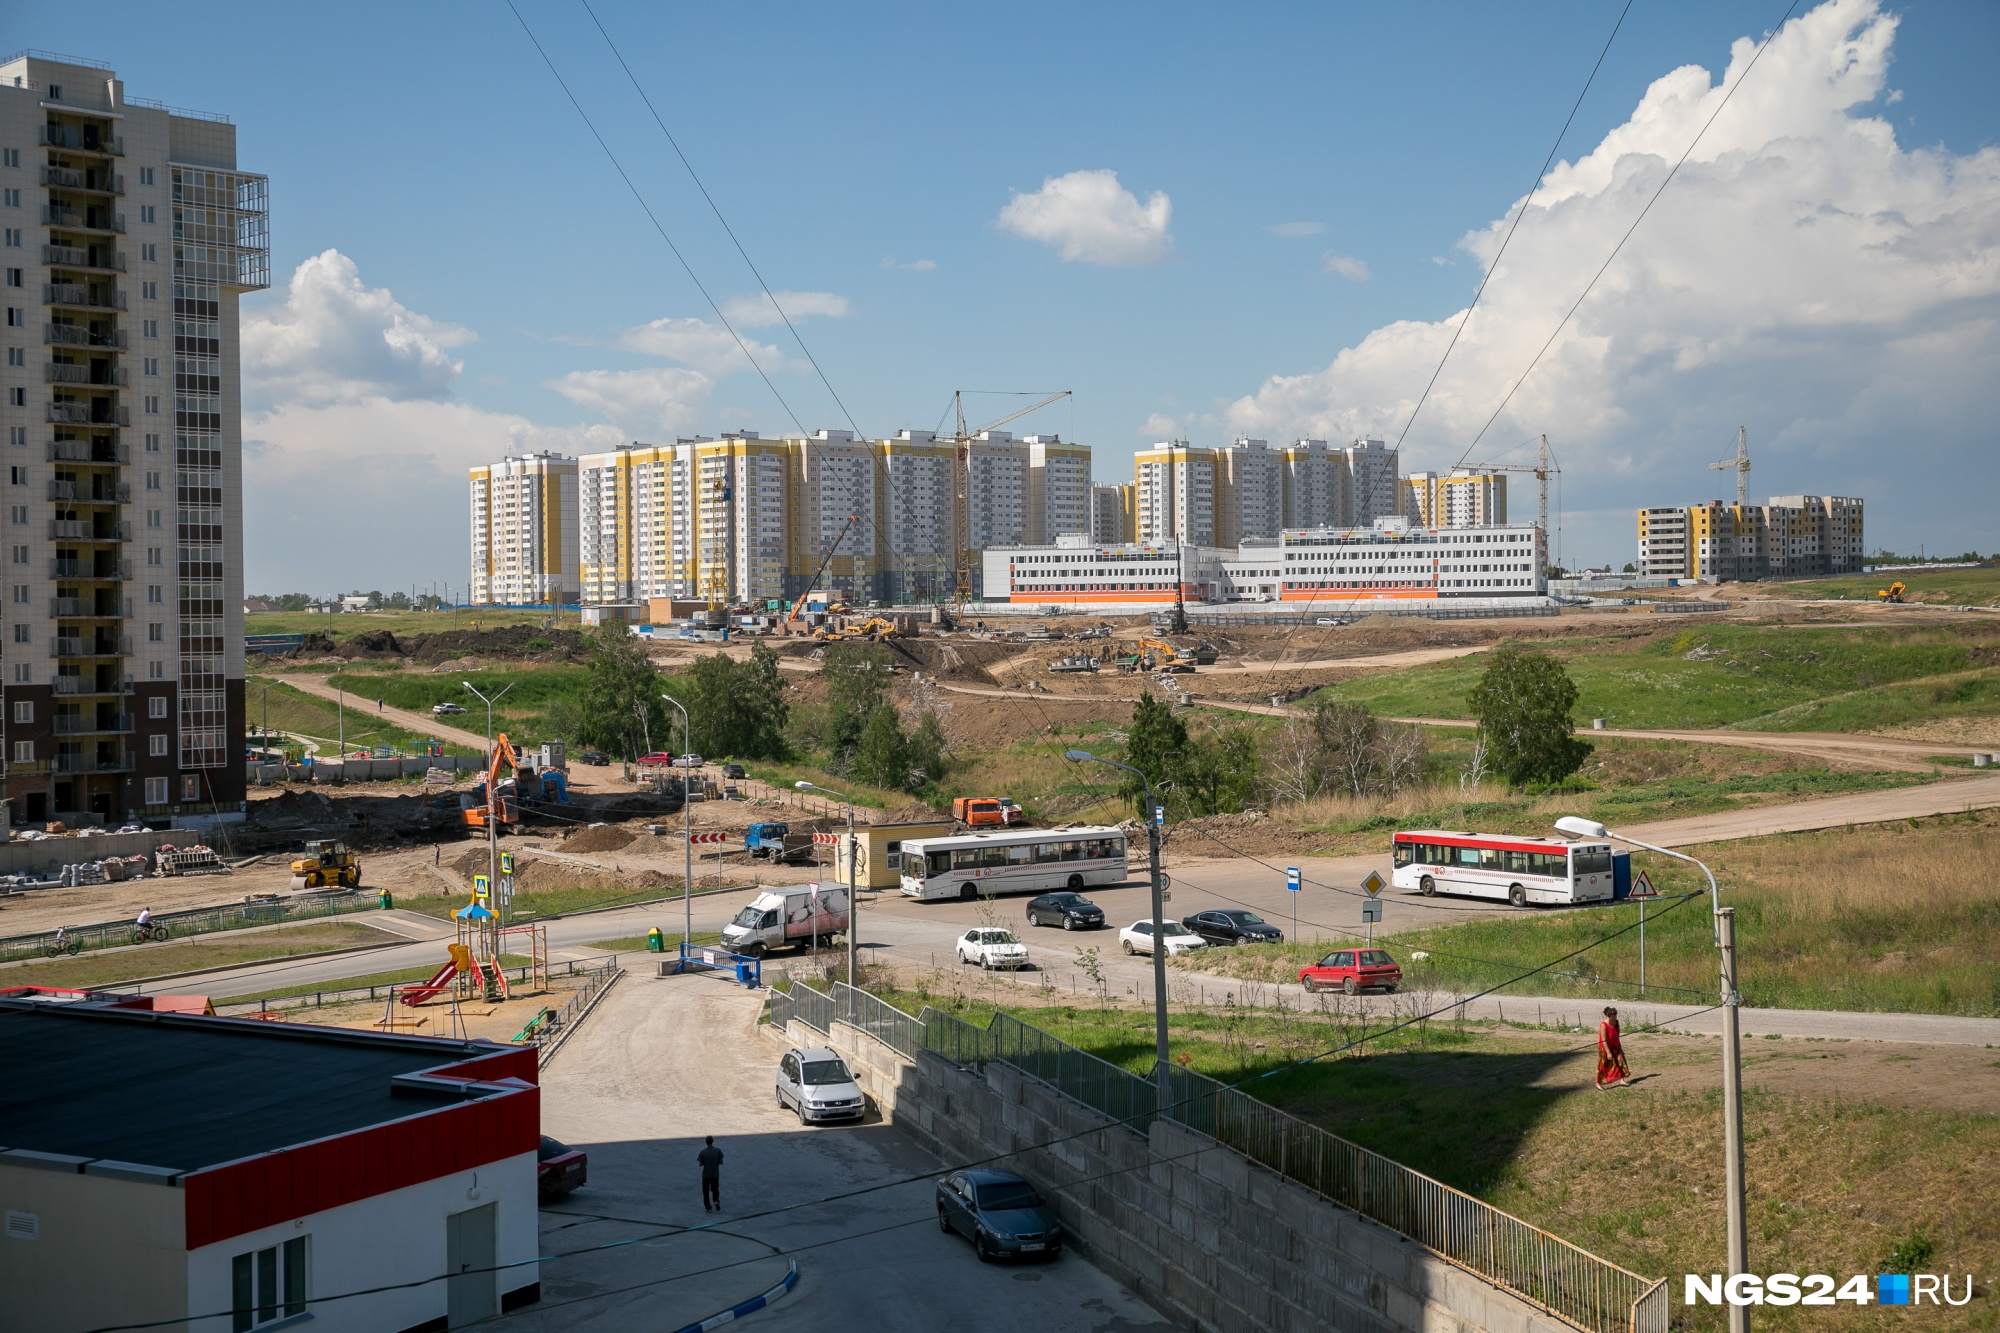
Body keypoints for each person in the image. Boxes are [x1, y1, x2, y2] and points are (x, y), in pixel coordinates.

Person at [1596, 1006, 1630, 1089]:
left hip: (1615, 1045)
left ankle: (1621, 1080)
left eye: (1616, 1017)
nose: (1615, 1019)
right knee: (1603, 1065)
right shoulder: (1604, 1025)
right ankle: (1598, 1083)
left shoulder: (1616, 1022)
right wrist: (1608, 1052)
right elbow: (1603, 1040)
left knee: (1620, 1061)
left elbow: (1617, 1036)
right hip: (1605, 1047)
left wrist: (1620, 1048)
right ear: (1609, 1016)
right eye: (1613, 1017)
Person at [697, 1135, 724, 1212]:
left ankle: (708, 1207)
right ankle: (716, 1201)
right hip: (715, 1174)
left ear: (706, 1142)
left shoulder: (702, 1152)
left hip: (706, 1175)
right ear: (712, 1141)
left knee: (705, 1192)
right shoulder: (718, 1151)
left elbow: (700, 1164)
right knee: (715, 1189)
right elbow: (721, 1162)